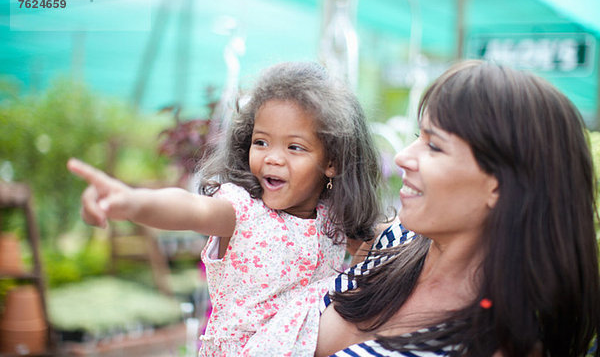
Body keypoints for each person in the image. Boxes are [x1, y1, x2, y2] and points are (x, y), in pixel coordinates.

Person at [67, 61, 384, 356]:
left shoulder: (333, 221)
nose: (272, 157)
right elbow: (190, 208)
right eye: (261, 142)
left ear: (331, 162)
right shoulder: (241, 209)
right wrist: (134, 203)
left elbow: (372, 251)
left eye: (294, 147)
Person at [315, 60, 600, 356]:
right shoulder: (392, 242)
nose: (402, 157)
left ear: (500, 185)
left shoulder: (488, 346)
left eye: (435, 146)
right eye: (418, 137)